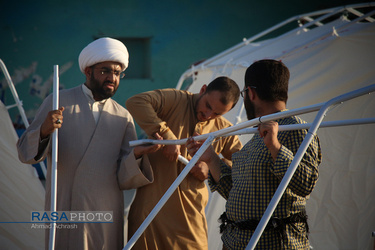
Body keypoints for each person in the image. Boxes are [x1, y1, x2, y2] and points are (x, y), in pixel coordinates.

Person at [17, 37, 162, 250]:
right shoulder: (57, 101)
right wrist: (45, 129)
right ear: (88, 71)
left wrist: (138, 154)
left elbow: (124, 176)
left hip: (104, 215)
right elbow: (24, 153)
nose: (112, 77)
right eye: (105, 71)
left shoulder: (123, 117)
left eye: (117, 72)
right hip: (64, 206)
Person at [187, 59, 322, 249]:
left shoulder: (295, 128)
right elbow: (237, 193)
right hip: (237, 242)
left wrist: (275, 146)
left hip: (273, 244)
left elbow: (306, 184)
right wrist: (210, 157)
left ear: (250, 93)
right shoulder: (258, 133)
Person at [125, 76, 243, 249]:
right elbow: (136, 102)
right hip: (151, 212)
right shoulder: (177, 99)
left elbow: (242, 165)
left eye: (217, 113)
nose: (208, 115)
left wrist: (210, 167)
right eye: (208, 106)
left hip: (190, 219)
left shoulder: (223, 129)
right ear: (202, 90)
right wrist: (166, 135)